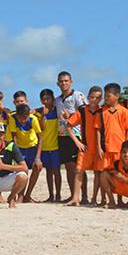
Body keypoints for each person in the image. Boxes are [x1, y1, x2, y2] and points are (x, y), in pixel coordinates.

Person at [64, 86, 103, 207]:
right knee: (78, 171)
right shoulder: (82, 111)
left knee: (98, 173)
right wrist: (77, 142)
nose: (94, 100)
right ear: (87, 97)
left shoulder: (103, 111)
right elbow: (68, 126)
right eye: (92, 97)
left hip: (99, 148)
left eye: (97, 98)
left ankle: (94, 199)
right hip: (85, 146)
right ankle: (76, 198)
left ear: (100, 99)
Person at [53, 71, 87, 205]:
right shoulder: (57, 100)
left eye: (66, 81)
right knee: (68, 166)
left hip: (76, 135)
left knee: (78, 167)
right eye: (61, 81)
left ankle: (83, 196)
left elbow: (85, 112)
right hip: (62, 135)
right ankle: (74, 195)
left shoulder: (78, 95)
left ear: (71, 82)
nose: (64, 83)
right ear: (57, 83)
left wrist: (71, 115)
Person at [101, 140, 128, 208]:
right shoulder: (117, 163)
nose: (126, 154)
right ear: (121, 153)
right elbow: (106, 170)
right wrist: (114, 172)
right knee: (103, 175)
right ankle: (112, 201)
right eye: (124, 152)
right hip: (120, 187)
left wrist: (124, 179)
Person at [38, 89, 61, 201]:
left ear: (53, 99)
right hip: (44, 147)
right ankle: (51, 195)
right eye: (44, 99)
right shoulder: (39, 113)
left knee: (57, 171)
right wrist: (42, 115)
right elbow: (41, 128)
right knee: (48, 172)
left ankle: (58, 195)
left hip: (56, 146)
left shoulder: (57, 110)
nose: (46, 101)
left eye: (49, 99)